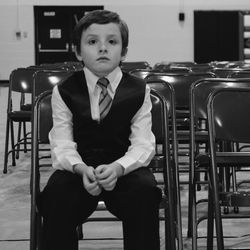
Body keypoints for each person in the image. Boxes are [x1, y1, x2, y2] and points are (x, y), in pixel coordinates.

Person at [38, 9, 162, 250]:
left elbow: (143, 144)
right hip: (80, 170)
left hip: (125, 170)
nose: (103, 48)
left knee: (145, 194)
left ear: (124, 51)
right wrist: (81, 168)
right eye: (93, 42)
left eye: (112, 42)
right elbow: (62, 143)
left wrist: (118, 168)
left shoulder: (139, 90)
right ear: (77, 51)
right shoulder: (64, 91)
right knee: (55, 198)